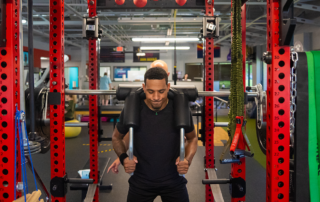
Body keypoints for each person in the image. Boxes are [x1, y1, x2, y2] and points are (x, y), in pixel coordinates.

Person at [112, 67, 198, 202]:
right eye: (151, 92)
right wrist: (123, 158)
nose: (156, 97)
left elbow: (192, 138)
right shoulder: (132, 109)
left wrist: (187, 159)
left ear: (168, 87)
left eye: (161, 91)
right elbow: (117, 137)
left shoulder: (179, 108)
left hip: (174, 182)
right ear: (144, 88)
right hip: (140, 183)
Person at [107, 60, 170, 174]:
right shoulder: (137, 101)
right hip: (142, 168)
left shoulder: (178, 101)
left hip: (171, 168)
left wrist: (185, 158)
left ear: (167, 76)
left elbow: (188, 138)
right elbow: (130, 131)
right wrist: (121, 157)